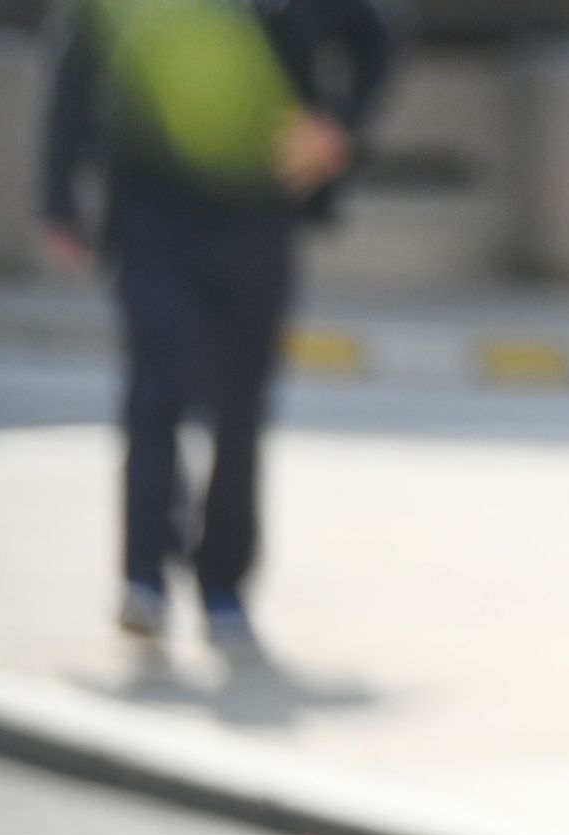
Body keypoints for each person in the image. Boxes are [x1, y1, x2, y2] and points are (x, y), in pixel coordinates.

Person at [37, 0, 399, 648]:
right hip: (151, 211)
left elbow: (380, 34)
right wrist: (57, 198)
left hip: (260, 213)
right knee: (157, 386)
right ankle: (144, 576)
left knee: (241, 404)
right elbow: (77, 65)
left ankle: (223, 582)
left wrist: (338, 129)